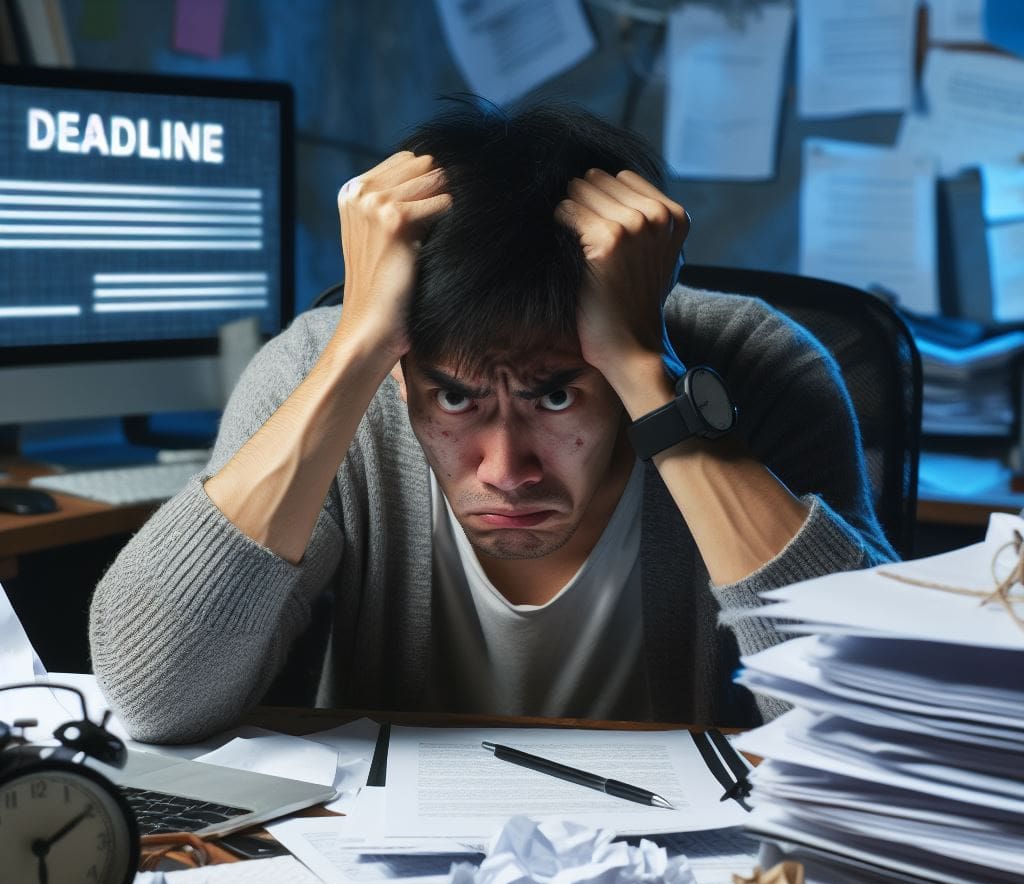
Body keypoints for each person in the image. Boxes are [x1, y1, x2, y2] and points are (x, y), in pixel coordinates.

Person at [90, 101, 894, 743]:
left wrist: (651, 378)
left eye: (555, 396)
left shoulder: (758, 366)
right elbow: (152, 694)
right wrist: (357, 348)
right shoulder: (326, 368)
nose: (507, 470)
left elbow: (871, 728)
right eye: (454, 398)